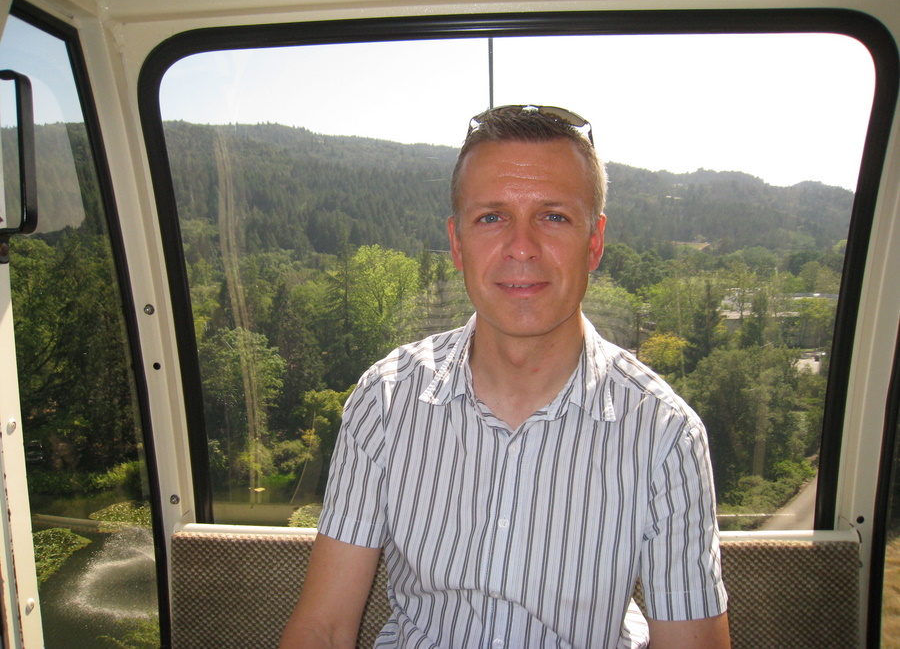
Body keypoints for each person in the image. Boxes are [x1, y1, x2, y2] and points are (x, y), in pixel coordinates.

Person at [279, 105, 730, 649]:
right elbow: (324, 628)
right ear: (456, 243)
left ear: (594, 242)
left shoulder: (665, 434)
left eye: (553, 217)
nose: (521, 247)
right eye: (492, 217)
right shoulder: (386, 401)